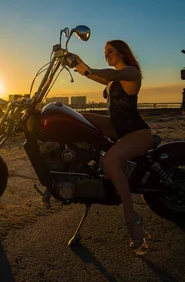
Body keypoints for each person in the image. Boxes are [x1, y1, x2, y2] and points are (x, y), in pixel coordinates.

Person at [74, 39, 153, 254]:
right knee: (77, 120)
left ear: (122, 52)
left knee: (111, 160)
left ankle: (131, 215)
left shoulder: (131, 73)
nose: (106, 55)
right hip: (118, 127)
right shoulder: (113, 78)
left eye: (110, 51)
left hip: (137, 132)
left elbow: (108, 74)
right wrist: (73, 59)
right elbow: (92, 74)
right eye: (105, 52)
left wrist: (87, 68)